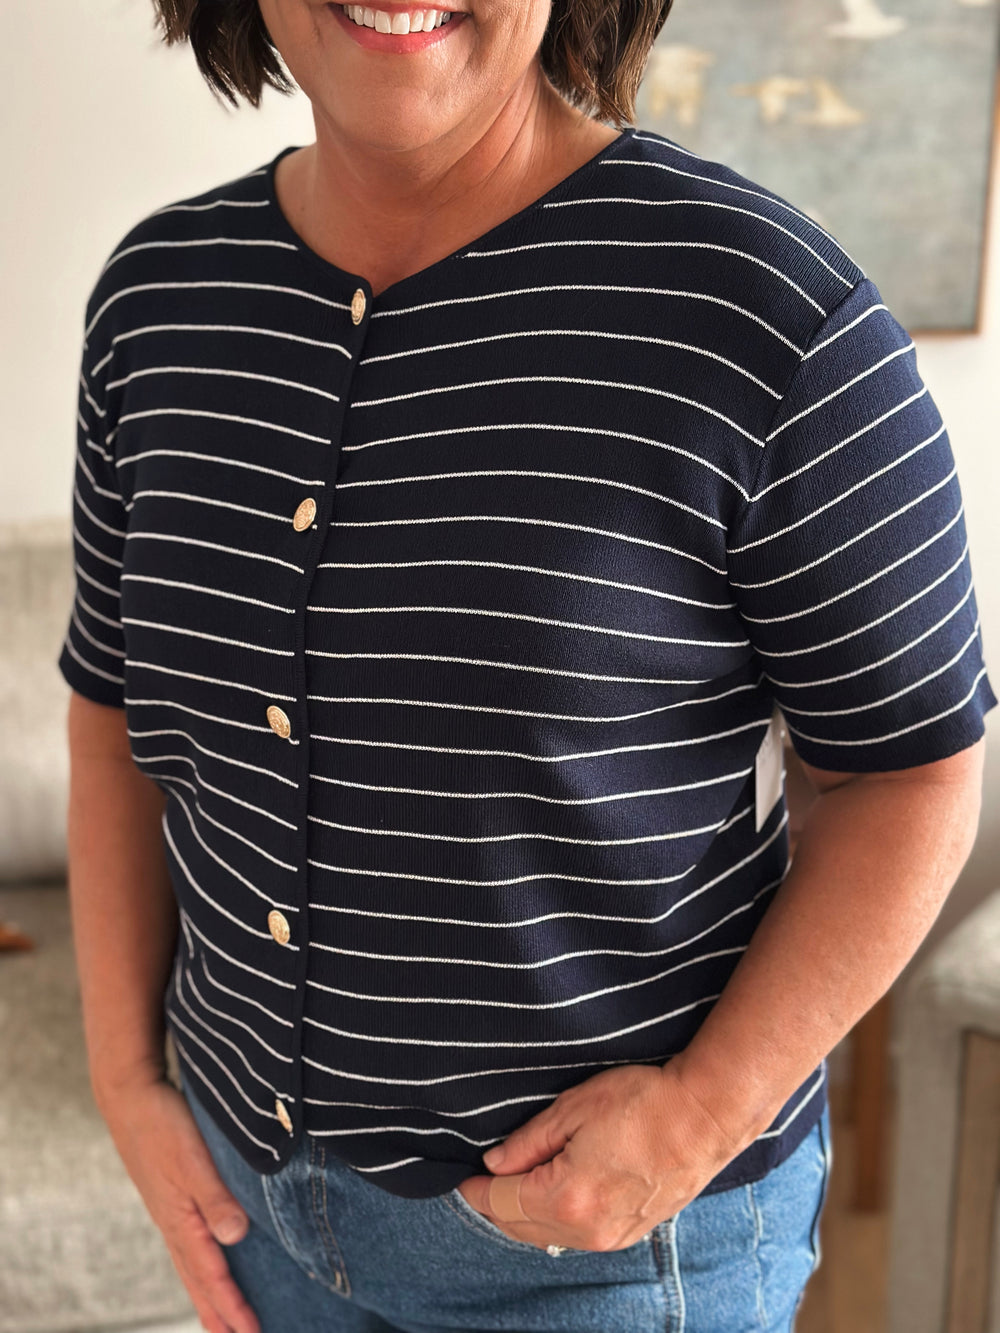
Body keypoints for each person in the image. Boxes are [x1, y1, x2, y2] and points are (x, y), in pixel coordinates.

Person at [58, 0, 995, 1330]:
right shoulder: (157, 306)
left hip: (600, 1251)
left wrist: (701, 1115)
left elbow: (911, 774)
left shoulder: (766, 313)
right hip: (251, 1212)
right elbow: (113, 717)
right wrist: (123, 1076)